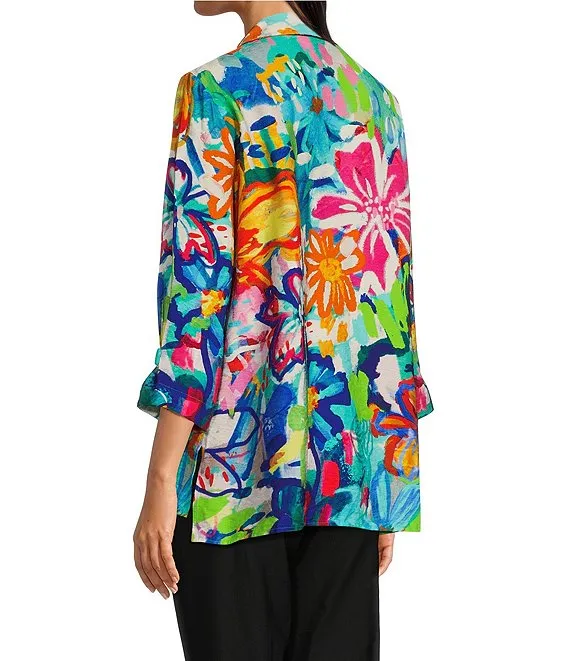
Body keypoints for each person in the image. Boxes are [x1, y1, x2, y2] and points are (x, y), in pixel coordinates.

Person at [133, 1, 434, 659]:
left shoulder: (215, 90)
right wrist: (380, 483)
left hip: (232, 473)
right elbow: (388, 300)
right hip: (350, 466)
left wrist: (159, 482)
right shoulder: (375, 100)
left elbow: (196, 299)